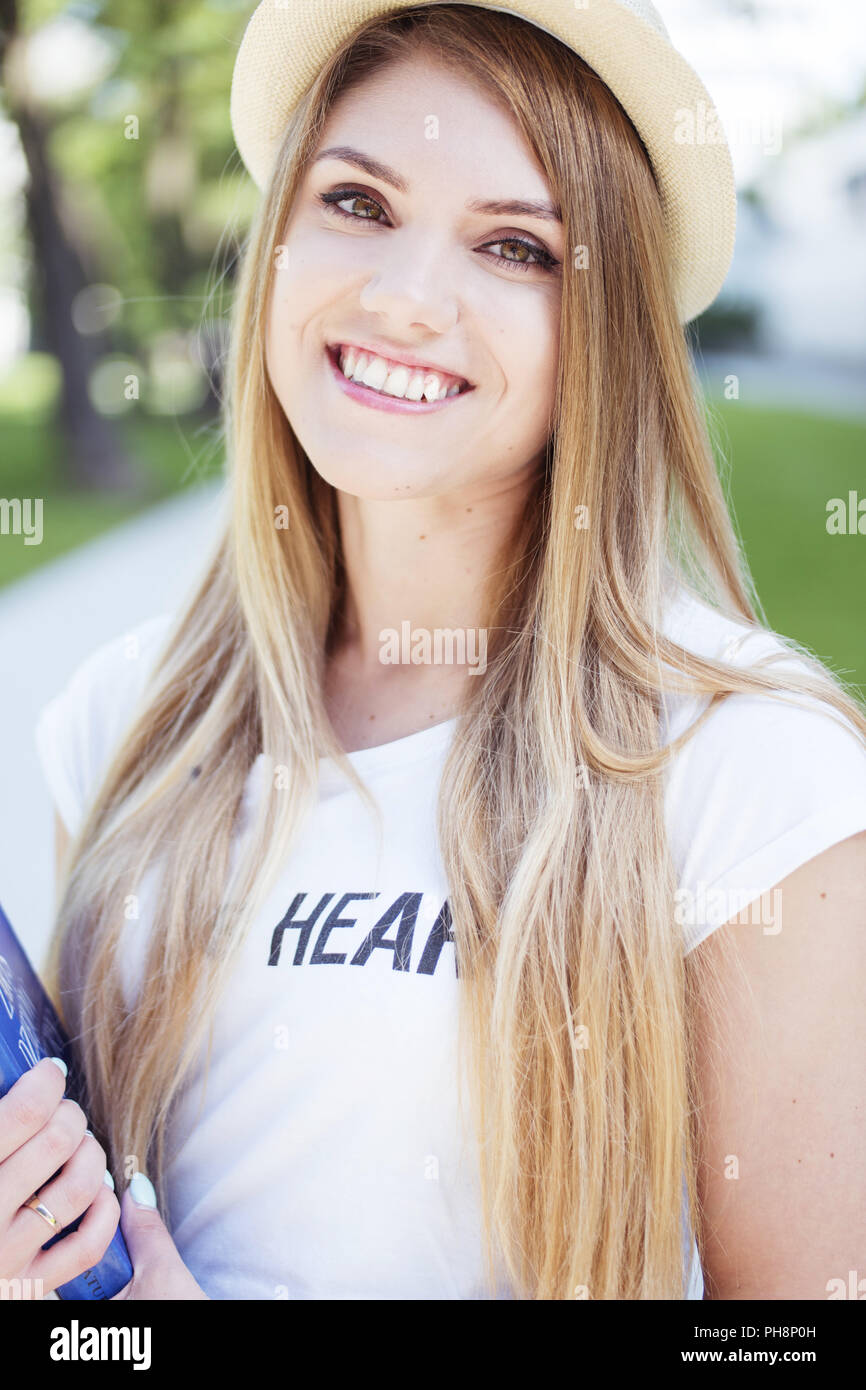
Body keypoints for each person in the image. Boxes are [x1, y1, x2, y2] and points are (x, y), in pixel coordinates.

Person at [4, 0, 866, 1300]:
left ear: (602, 330)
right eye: (357, 203)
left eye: (514, 246)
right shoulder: (120, 719)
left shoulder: (750, 771)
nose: (406, 298)